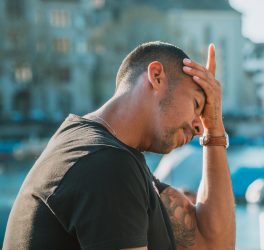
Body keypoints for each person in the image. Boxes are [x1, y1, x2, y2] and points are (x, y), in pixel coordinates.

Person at [3, 41, 235, 250]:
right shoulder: (104, 163)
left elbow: (211, 243)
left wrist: (214, 127)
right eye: (196, 105)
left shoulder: (106, 155)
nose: (199, 127)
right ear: (156, 76)